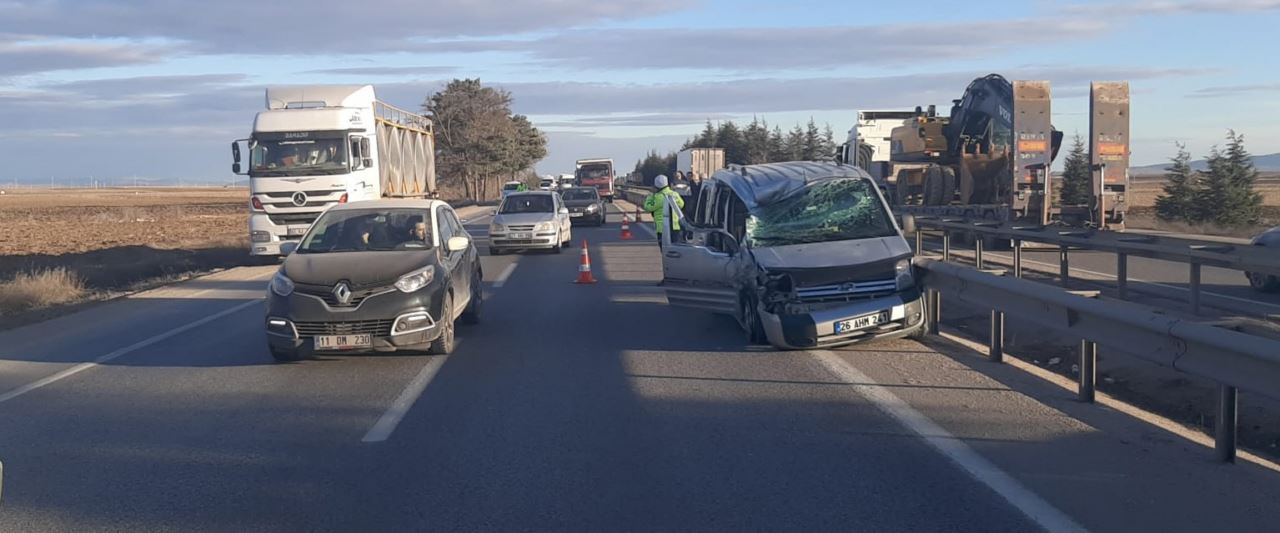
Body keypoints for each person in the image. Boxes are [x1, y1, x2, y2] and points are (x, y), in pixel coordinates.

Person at [643, 174, 684, 249]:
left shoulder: (659, 197)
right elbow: (681, 204)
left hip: (663, 228)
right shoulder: (675, 194)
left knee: (666, 251)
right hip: (676, 227)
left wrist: (650, 195)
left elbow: (647, 207)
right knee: (676, 251)